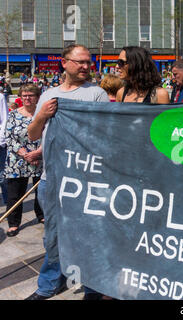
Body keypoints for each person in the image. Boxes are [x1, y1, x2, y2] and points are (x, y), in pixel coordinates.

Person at [26, 44, 110, 301]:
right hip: (51, 179)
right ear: (64, 63)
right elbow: (33, 134)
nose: (85, 66)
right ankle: (50, 284)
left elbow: (104, 135)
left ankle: (93, 287)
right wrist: (41, 115)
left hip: (85, 181)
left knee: (89, 234)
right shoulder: (48, 94)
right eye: (80, 62)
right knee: (52, 235)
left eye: (88, 62)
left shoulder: (97, 94)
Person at [4, 84, 43, 237]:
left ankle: (41, 214)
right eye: (24, 95)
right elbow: (9, 137)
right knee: (15, 193)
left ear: (37, 97)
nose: (27, 98)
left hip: (39, 158)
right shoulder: (13, 114)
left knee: (41, 191)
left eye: (31, 95)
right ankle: (13, 223)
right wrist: (25, 154)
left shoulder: (42, 114)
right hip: (17, 160)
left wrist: (37, 153)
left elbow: (48, 133)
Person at [0, 93, 9, 205]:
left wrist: (1, 140)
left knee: (2, 177)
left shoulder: (0, 97)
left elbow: (5, 120)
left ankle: (8, 205)